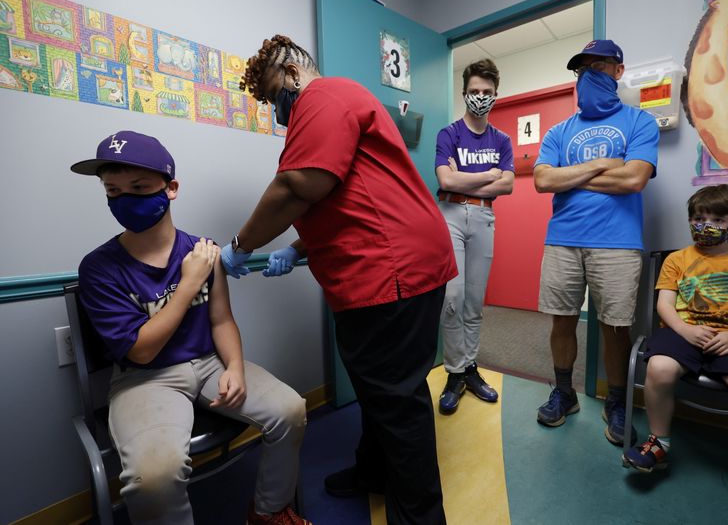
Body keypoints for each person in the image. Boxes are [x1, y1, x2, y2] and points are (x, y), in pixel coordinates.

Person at [220, 35, 457, 525]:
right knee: (380, 391)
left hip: (390, 270)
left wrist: (241, 245)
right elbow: (348, 197)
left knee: (396, 400)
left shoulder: (321, 96)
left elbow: (297, 187)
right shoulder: (343, 102)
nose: (275, 109)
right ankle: (373, 470)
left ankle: (420, 518)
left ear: (291, 73)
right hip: (394, 262)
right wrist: (297, 246)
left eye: (272, 94)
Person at [72, 130, 309, 525]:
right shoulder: (99, 268)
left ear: (171, 188)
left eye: (139, 187)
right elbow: (142, 351)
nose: (124, 199)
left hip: (210, 364)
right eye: (112, 191)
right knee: (154, 478)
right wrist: (188, 282)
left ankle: (269, 512)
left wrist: (233, 367)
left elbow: (222, 320)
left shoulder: (201, 250)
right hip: (146, 379)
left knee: (291, 410)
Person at [622, 185, 728, 522]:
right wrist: (685, 330)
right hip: (681, 332)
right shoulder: (677, 260)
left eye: (717, 219)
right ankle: (659, 444)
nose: (706, 225)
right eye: (699, 218)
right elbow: (665, 304)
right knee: (658, 368)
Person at [533, 39, 659, 445]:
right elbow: (541, 180)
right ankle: (564, 392)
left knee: (615, 327)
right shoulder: (558, 131)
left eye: (598, 66)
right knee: (562, 320)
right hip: (563, 239)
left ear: (618, 71)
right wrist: (603, 165)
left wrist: (572, 174)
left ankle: (617, 401)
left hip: (618, 243)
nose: (588, 75)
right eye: (582, 69)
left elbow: (635, 178)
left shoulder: (640, 121)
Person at [434, 58, 514, 415]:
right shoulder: (448, 134)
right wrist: (489, 174)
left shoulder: (502, 139)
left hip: (483, 216)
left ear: (495, 95)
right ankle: (454, 372)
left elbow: (509, 185)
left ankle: (468, 368)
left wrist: (468, 175)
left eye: (487, 92)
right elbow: (446, 182)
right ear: (464, 93)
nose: (480, 97)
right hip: (449, 214)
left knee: (474, 301)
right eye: (474, 92)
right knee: (452, 296)